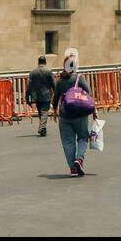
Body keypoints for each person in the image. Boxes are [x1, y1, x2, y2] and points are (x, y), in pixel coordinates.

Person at [52, 48, 96, 177]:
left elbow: (55, 98)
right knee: (83, 138)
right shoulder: (79, 78)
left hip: (65, 115)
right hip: (80, 114)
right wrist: (94, 111)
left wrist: (54, 112)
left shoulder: (60, 81)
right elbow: (89, 94)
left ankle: (73, 169)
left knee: (67, 142)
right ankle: (79, 159)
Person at [25, 55, 56, 136]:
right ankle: (42, 127)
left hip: (36, 96)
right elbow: (54, 84)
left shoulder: (32, 72)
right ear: (45, 62)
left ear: (38, 62)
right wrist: (56, 93)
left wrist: (27, 97)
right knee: (44, 112)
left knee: (41, 113)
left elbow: (28, 86)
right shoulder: (48, 71)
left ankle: (43, 129)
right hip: (46, 95)